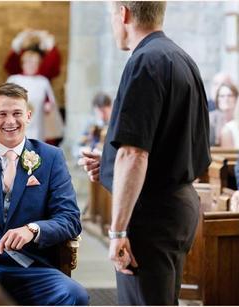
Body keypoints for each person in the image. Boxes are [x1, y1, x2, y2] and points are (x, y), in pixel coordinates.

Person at [78, 2, 210, 305]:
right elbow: (168, 143)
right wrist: (110, 164)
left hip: (150, 214)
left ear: (123, 13)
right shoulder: (180, 58)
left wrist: (118, 230)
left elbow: (135, 154)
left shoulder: (144, 62)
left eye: (112, 15)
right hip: (178, 204)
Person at [0, 83, 88, 305]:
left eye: (17, 113)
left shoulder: (51, 158)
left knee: (74, 295)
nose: (10, 121)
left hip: (33, 266)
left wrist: (34, 229)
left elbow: (69, 218)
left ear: (28, 116)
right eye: (2, 114)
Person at [6, 49, 61, 141]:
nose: (31, 65)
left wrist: (48, 106)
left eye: (34, 63)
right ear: (23, 64)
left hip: (37, 123)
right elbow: (4, 100)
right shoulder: (14, 80)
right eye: (28, 62)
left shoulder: (43, 81)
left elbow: (49, 101)